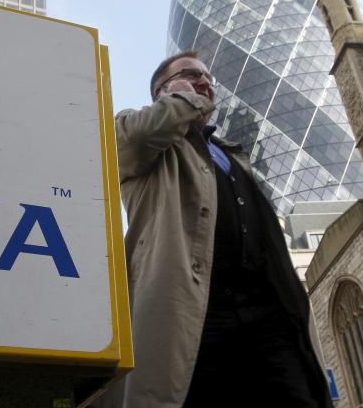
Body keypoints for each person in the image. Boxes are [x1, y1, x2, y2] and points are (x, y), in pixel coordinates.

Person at [100, 51, 330, 408]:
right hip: (195, 307)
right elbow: (130, 140)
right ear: (162, 92)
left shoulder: (231, 153)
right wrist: (183, 99)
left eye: (208, 79)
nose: (205, 84)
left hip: (265, 309)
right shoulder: (140, 137)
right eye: (192, 76)